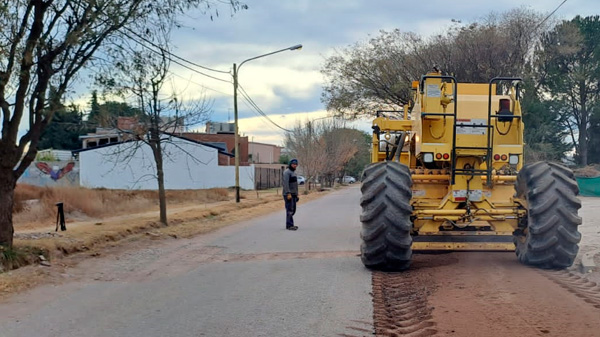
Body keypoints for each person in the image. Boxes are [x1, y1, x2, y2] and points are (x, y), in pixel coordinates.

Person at [282, 158, 300, 230]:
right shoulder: (287, 172)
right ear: (290, 164)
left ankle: (290, 223)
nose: (295, 165)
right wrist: (288, 193)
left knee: (293, 210)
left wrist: (297, 194)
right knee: (289, 210)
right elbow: (285, 184)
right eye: (293, 164)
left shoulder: (294, 173)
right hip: (288, 194)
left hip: (294, 194)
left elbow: (295, 184)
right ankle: (289, 225)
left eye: (296, 164)